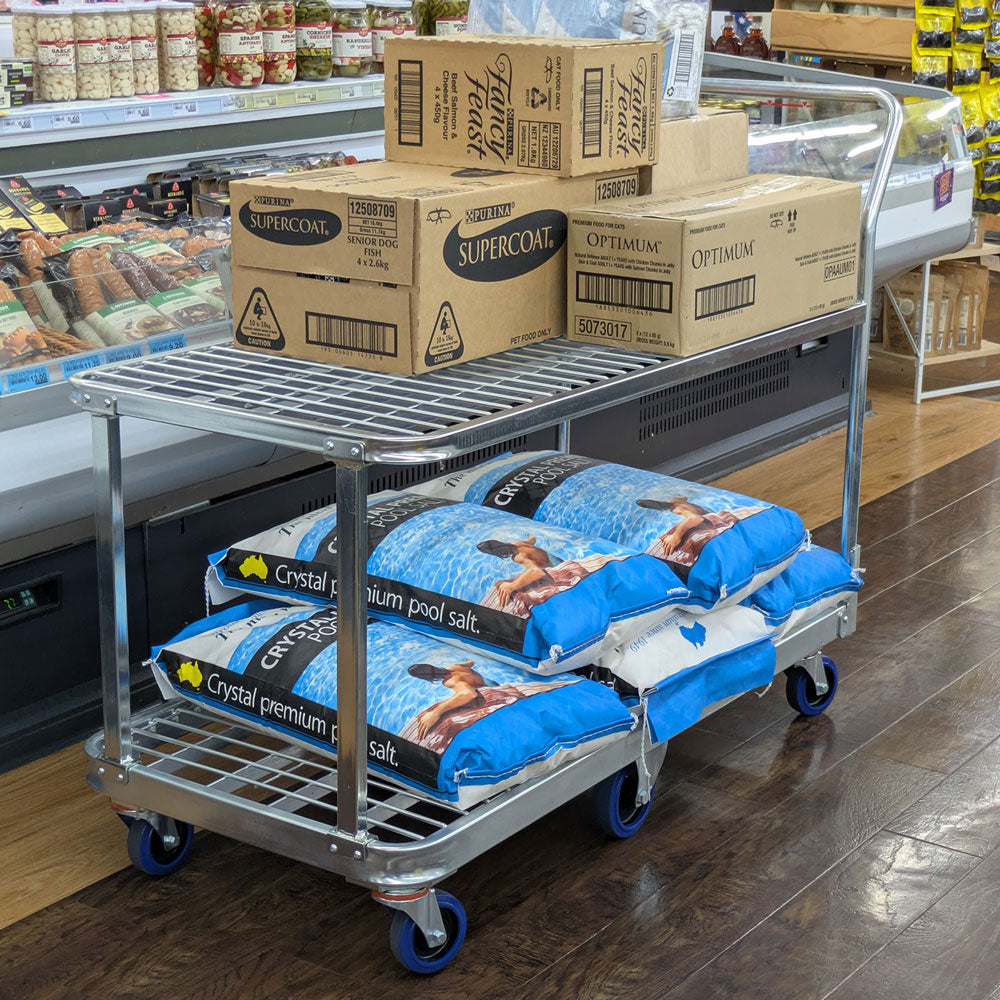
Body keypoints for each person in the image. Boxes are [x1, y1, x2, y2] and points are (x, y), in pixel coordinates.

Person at [404, 660, 569, 750]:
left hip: (488, 689)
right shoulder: (454, 667)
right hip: (490, 682)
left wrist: (437, 712)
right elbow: (471, 662)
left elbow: (468, 694)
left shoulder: (450, 681)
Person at [476, 536, 627, 615]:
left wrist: (513, 586)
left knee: (518, 585)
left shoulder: (518, 557)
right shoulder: (517, 543)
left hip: (553, 567)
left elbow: (537, 571)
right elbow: (533, 539)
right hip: (552, 558)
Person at [635, 496, 766, 581]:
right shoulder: (681, 501)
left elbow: (695, 519)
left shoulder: (677, 508)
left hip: (713, 525)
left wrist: (675, 536)